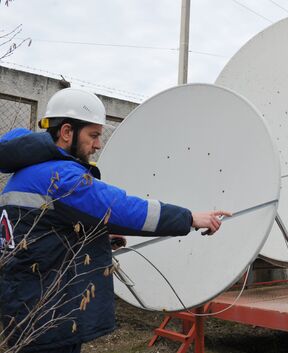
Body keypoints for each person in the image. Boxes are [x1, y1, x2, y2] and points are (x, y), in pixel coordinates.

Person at [0, 88, 231, 353]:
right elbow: (123, 209)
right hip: (47, 315)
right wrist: (189, 218)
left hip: (24, 303)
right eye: (94, 135)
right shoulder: (62, 176)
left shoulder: (24, 173)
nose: (98, 144)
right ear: (66, 132)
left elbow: (42, 232)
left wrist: (95, 237)